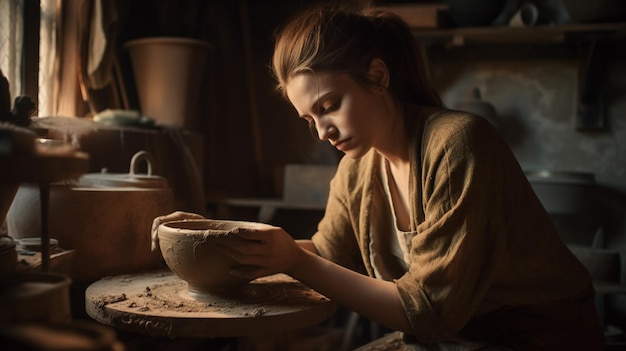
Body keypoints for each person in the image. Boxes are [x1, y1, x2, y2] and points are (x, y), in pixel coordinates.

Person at [154, 4, 604, 350]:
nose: (323, 131)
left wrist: (294, 259)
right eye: (309, 119)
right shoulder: (358, 166)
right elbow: (327, 255)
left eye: (329, 105)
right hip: (451, 338)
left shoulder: (458, 143)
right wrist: (220, 240)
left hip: (536, 336)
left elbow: (430, 312)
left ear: (377, 75)